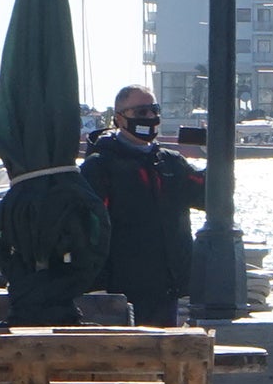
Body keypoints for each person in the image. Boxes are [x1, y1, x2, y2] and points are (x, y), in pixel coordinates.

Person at [79, 85, 203, 325]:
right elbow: (88, 231)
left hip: (170, 290)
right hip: (122, 293)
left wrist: (217, 155)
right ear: (119, 119)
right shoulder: (99, 167)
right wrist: (97, 287)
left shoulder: (171, 163)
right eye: (141, 112)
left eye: (154, 110)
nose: (150, 118)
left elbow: (210, 198)